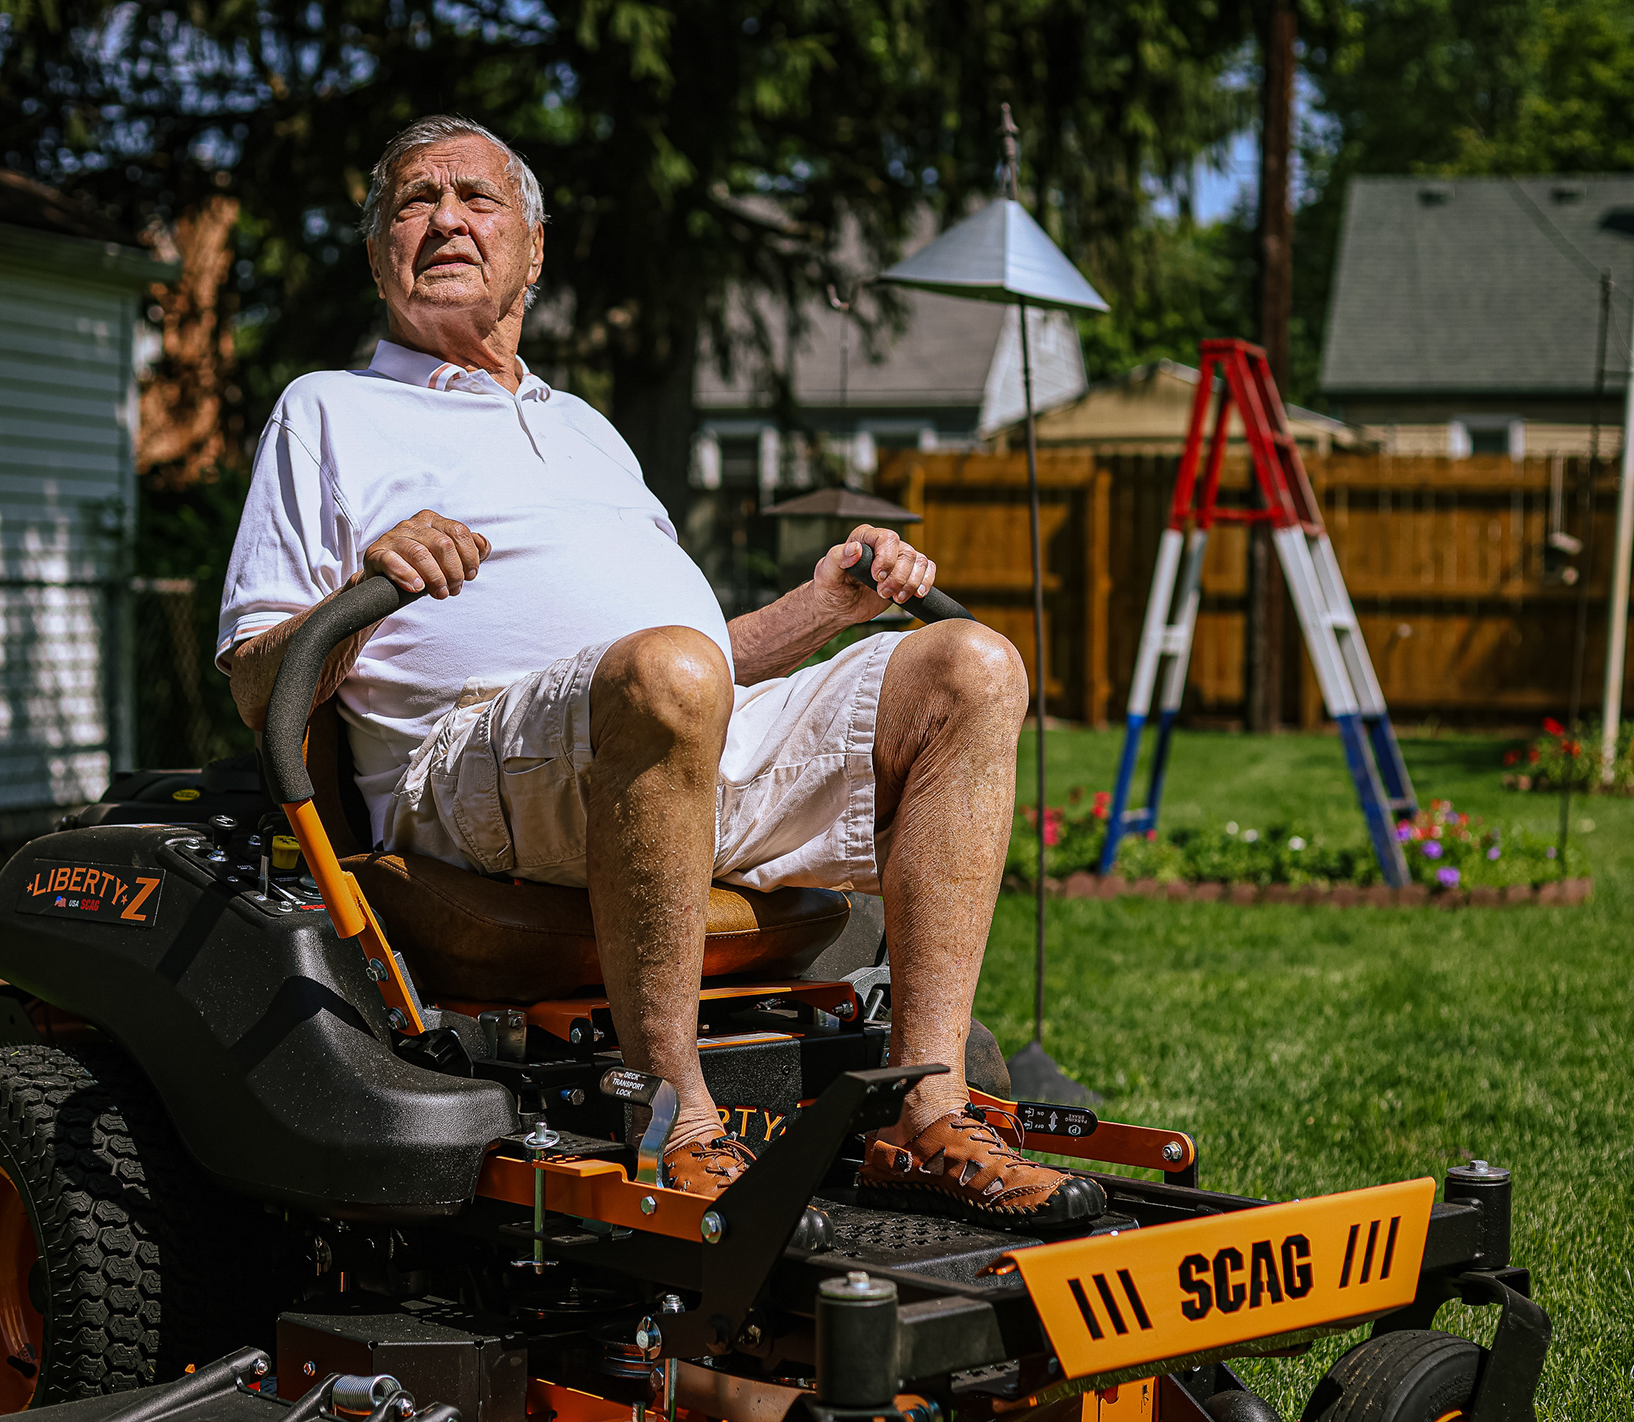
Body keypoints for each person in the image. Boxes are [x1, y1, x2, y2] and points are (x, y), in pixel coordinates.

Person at [218, 114, 1095, 1223]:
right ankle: (675, 1118)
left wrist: (827, 610)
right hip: (465, 778)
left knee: (971, 663)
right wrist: (363, 588)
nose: (444, 217)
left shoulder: (585, 428)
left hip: (658, 734)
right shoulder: (328, 412)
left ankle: (927, 1113)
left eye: (476, 198)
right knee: (666, 677)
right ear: (381, 251)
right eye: (413, 201)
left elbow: (694, 670)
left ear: (533, 251)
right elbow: (259, 682)